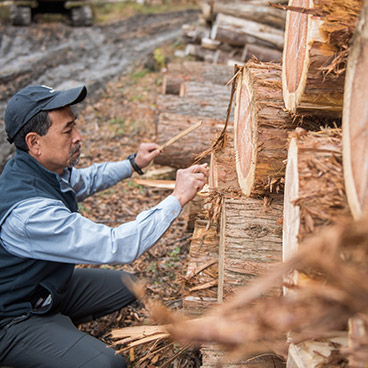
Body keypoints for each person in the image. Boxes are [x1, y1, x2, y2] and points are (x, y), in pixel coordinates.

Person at [0, 84, 208, 368]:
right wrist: (178, 198)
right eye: (67, 130)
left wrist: (134, 163)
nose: (78, 137)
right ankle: (39, 338)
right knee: (108, 364)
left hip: (44, 288)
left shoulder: (39, 169)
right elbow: (116, 245)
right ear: (34, 142)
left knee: (131, 285)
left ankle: (54, 326)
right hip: (14, 316)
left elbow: (86, 180)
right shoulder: (30, 214)